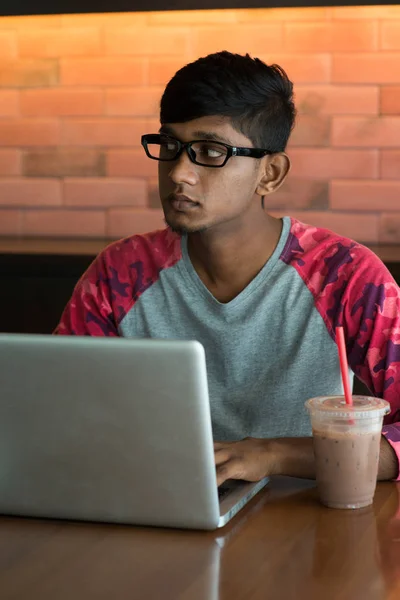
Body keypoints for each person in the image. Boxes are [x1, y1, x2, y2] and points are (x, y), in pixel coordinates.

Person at [55, 51, 400, 486]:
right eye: (171, 146)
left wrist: (274, 454)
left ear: (270, 174)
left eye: (210, 151)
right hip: (160, 504)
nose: (179, 172)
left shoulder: (344, 276)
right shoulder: (120, 274)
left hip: (304, 519)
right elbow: (58, 413)